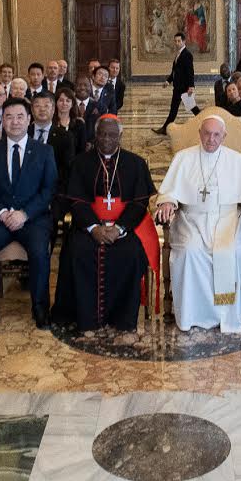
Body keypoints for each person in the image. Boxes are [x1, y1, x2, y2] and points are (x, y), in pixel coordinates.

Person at [155, 115, 241, 333]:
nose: (211, 139)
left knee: (237, 250)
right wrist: (168, 203)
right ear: (199, 134)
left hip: (229, 219)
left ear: (224, 136)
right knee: (190, 252)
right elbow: (169, 191)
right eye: (207, 134)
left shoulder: (236, 160)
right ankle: (194, 313)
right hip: (192, 220)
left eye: (216, 134)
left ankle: (231, 313)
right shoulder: (183, 158)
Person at [52, 116, 160, 332]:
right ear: (96, 135)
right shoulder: (81, 163)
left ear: (120, 136)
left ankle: (122, 317)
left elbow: (139, 203)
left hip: (125, 227)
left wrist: (119, 228)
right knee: (77, 251)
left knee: (131, 254)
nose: (106, 139)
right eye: (102, 134)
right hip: (88, 226)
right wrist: (94, 228)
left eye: (112, 135)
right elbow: (76, 201)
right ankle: (83, 316)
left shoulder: (135, 163)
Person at [0, 98, 59, 333]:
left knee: (39, 252)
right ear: (2, 121)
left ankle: (39, 306)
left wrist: (25, 214)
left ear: (29, 120)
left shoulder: (44, 151)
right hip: (0, 218)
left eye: (20, 116)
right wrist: (1, 212)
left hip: (33, 219)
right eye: (9, 117)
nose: (15, 122)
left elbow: (49, 190)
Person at [155, 31, 195, 134]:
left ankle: (205, 121)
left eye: (179, 41)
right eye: (175, 41)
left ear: (184, 41)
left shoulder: (187, 55)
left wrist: (191, 86)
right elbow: (175, 71)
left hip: (184, 88)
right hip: (177, 87)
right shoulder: (178, 54)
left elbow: (190, 72)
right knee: (174, 109)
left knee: (192, 107)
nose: (177, 43)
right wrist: (168, 81)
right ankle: (165, 129)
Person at [55, 86, 87, 154]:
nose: (64, 103)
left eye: (68, 101)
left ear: (72, 104)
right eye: (61, 100)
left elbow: (82, 150)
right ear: (56, 102)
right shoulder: (50, 122)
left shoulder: (79, 124)